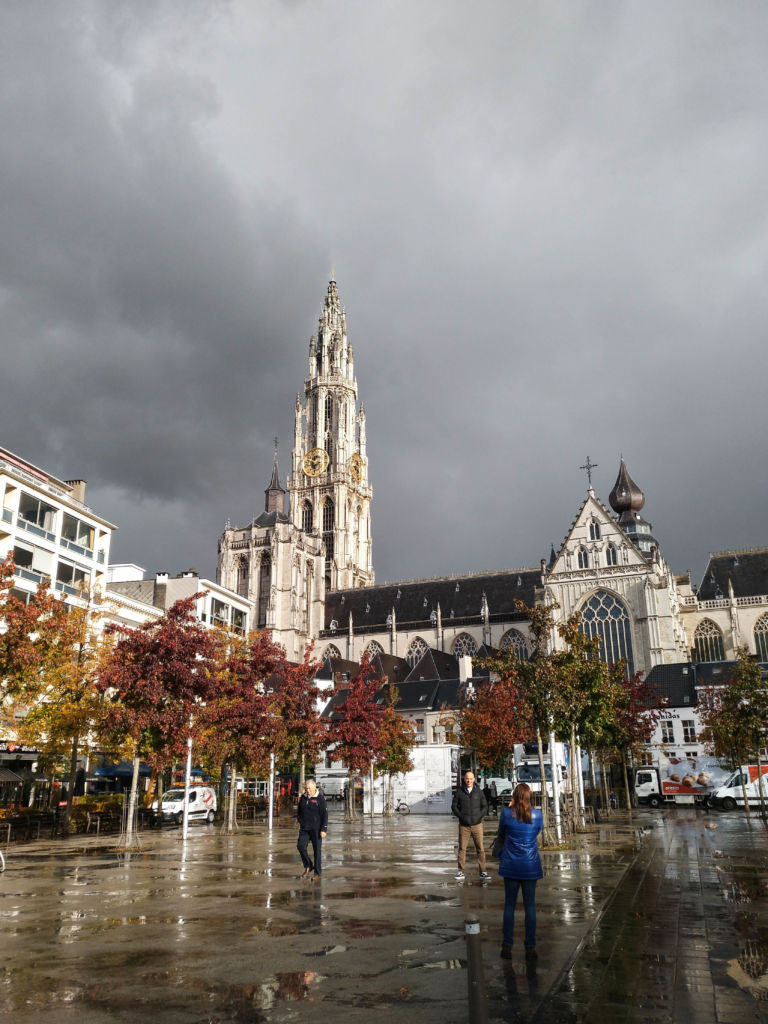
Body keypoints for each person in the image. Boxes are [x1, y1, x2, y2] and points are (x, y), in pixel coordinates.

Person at [496, 782, 543, 960]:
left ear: (514, 796)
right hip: (530, 865)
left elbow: (501, 833)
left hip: (511, 865)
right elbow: (538, 831)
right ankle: (530, 947)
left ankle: (507, 946)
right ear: (530, 797)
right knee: (530, 907)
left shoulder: (507, 814)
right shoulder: (537, 815)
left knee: (509, 905)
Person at [451, 769, 489, 881]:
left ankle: (483, 872)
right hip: (464, 825)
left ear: (474, 779)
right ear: (464, 779)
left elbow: (485, 807)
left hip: (477, 825)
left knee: (480, 849)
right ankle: (460, 872)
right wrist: (461, 816)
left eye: (471, 778)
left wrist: (479, 817)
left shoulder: (479, 792)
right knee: (462, 849)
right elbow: (454, 807)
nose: (469, 780)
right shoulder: (459, 792)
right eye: (467, 778)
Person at [297, 777, 327, 881]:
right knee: (300, 846)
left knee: (317, 851)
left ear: (314, 788)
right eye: (306, 788)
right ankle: (309, 865)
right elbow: (299, 811)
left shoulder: (320, 798)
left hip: (317, 829)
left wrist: (324, 829)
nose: (307, 790)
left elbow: (325, 814)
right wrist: (300, 821)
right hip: (305, 828)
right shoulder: (303, 797)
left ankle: (317, 873)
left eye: (309, 788)